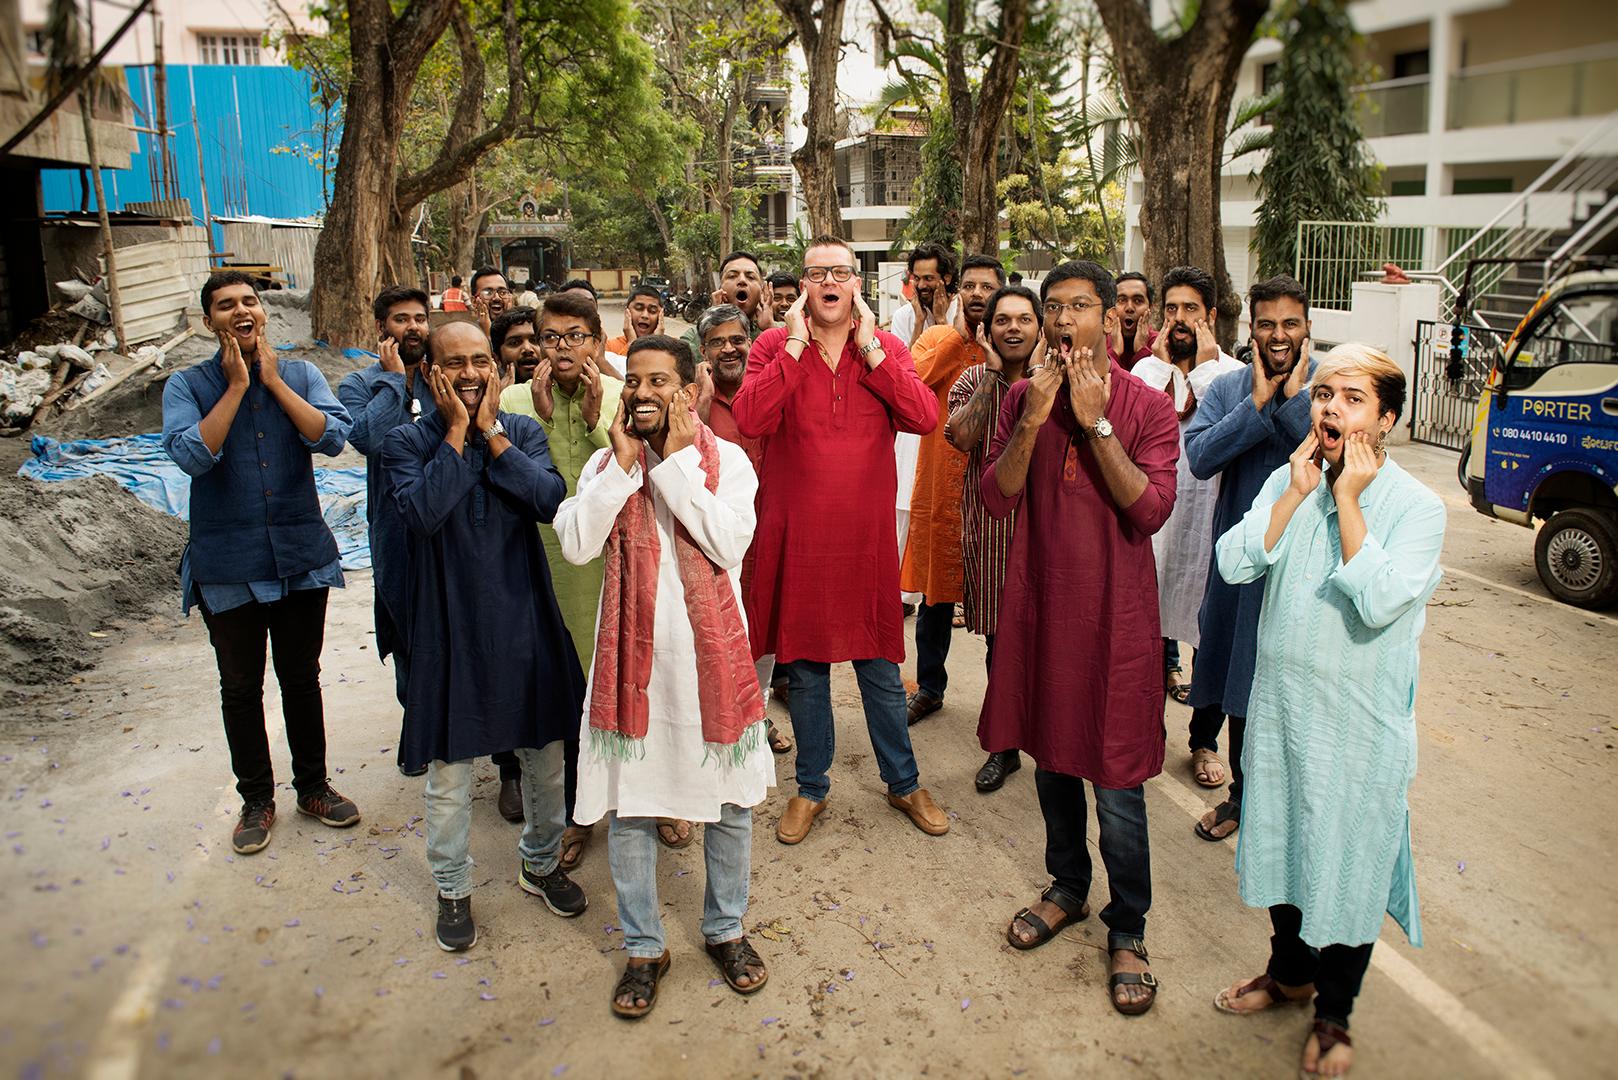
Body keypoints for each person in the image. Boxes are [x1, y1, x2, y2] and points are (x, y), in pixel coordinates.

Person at [1212, 345, 1443, 1080]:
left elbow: (1377, 602)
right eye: (1322, 395)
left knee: (1348, 866)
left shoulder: (1418, 507)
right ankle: (1289, 974)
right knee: (1281, 846)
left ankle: (1334, 1014)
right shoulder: (1292, 475)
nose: (1330, 409)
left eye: (1351, 398)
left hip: (1359, 728)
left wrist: (1345, 501)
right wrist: (1294, 495)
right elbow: (1234, 563)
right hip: (1282, 715)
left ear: (1388, 419)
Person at [979, 260, 1179, 1015]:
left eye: (1080, 307)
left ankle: (1127, 927)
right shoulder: (1025, 398)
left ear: (1112, 318)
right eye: (1054, 307)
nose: (1064, 322)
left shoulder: (1146, 406)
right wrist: (1034, 416)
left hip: (1117, 626)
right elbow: (996, 500)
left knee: (1118, 787)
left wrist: (1094, 421)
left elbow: (1150, 511)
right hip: (1040, 613)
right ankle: (1067, 885)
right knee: (1051, 763)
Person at [554, 335, 772, 1020]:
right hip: (632, 676)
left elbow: (728, 542)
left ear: (691, 388)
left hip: (711, 675)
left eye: (659, 382)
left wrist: (675, 465)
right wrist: (620, 468)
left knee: (730, 810)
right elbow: (577, 543)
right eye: (636, 382)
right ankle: (645, 946)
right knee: (633, 810)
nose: (644, 394)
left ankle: (725, 930)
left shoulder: (725, 461)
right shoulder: (607, 462)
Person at [733, 235, 949, 843]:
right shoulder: (775, 346)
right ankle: (811, 787)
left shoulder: (885, 348)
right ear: (803, 285)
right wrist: (796, 346)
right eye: (817, 272)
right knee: (803, 669)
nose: (829, 281)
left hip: (864, 539)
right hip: (798, 535)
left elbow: (924, 418)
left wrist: (875, 353)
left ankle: (903, 782)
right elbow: (750, 420)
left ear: (857, 283)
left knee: (879, 664)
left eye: (841, 272)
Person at [382, 321, 588, 952]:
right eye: (455, 363)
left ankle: (541, 862)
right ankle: (452, 888)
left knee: (546, 760)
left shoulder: (520, 431)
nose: (470, 374)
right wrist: (453, 433)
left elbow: (550, 499)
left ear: (496, 371)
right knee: (448, 775)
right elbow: (421, 514)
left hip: (523, 617)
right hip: (446, 626)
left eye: (480, 361)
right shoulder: (404, 442)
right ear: (429, 374)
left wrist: (491, 435)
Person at [161, 271, 359, 855]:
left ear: (264, 312)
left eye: (249, 301)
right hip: (228, 561)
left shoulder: (299, 373)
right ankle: (256, 799)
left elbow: (330, 439)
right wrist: (234, 387)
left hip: (298, 553)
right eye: (226, 306)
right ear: (209, 322)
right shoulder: (186, 385)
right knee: (241, 686)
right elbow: (193, 457)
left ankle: (314, 787)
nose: (240, 311)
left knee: (302, 678)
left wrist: (270, 382)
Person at [1182, 275, 1315, 843]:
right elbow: (1201, 457)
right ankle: (1242, 797)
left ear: (1307, 328)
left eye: (1290, 324)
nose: (1278, 335)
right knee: (1240, 680)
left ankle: (1290, 807)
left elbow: (1330, 453)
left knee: (1294, 689)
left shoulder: (1330, 389)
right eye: (1267, 324)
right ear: (1251, 329)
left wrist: (1288, 404)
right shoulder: (1229, 387)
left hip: (1307, 570)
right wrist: (1257, 404)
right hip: (1242, 564)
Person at [500, 292, 626, 869]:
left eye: (576, 336)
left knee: (625, 686)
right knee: (568, 696)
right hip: (545, 566)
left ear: (598, 342)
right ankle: (579, 814)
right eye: (551, 338)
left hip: (616, 567)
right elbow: (521, 483)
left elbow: (633, 477)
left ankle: (646, 805)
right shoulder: (513, 400)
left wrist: (599, 417)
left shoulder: (624, 395)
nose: (562, 348)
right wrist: (546, 420)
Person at [1129, 267, 1245, 778]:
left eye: (1190, 310)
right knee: (1148, 633)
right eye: (1171, 309)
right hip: (1155, 527)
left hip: (1209, 525)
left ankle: (1203, 741)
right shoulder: (1145, 374)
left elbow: (1227, 435)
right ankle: (1145, 731)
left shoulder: (1232, 379)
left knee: (1209, 634)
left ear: (1211, 317)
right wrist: (1162, 371)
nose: (1178, 320)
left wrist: (1197, 369)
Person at [943, 283, 1042, 792]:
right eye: (1003, 320)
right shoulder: (973, 378)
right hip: (994, 530)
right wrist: (992, 377)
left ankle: (1050, 744)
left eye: (1024, 319)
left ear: (1040, 327)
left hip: (1050, 532)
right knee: (1001, 645)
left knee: (1051, 641)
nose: (1013, 329)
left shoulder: (1060, 381)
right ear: (988, 329)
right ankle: (1004, 748)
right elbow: (959, 437)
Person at [337, 285, 437, 780]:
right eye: (401, 319)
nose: (413, 327)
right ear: (382, 329)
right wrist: (395, 383)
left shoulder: (445, 378)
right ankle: (416, 727)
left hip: (446, 521)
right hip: (395, 529)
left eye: (420, 318)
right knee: (404, 625)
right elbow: (369, 438)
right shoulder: (361, 384)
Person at [902, 254, 1005, 726]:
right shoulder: (937, 338)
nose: (979, 293)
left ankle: (1001, 705)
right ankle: (929, 687)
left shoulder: (1014, 342)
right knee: (936, 598)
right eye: (971, 286)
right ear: (957, 291)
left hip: (995, 498)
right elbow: (912, 384)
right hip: (941, 494)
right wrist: (961, 336)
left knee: (997, 604)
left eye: (987, 286)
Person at [692, 304, 793, 760]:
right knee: (718, 632)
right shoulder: (694, 399)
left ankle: (757, 715)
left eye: (738, 339)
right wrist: (698, 406)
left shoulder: (768, 388)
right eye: (718, 341)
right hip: (715, 541)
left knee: (764, 631)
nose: (730, 348)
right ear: (703, 351)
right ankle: (718, 722)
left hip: (771, 531)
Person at [681, 251, 773, 359]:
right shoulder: (693, 337)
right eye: (732, 276)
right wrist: (711, 324)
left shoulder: (785, 330)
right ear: (721, 289)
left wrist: (769, 329)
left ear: (762, 290)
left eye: (751, 277)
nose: (742, 281)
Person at [890, 242, 957, 347]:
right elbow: (905, 363)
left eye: (928, 278)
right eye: (917, 278)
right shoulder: (902, 316)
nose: (921, 285)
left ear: (947, 278)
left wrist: (941, 321)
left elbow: (957, 361)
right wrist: (919, 323)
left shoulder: (962, 312)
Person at [1108, 272, 1157, 364]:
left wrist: (1141, 351)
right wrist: (1114, 352)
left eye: (1138, 301)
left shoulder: (1161, 345)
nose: (1129, 308)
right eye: (1121, 300)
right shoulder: (1099, 344)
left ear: (1150, 308)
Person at [605, 284, 666, 355]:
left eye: (652, 310)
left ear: (661, 315)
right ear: (627, 312)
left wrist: (656, 342)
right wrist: (631, 343)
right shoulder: (609, 347)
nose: (645, 315)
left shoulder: (672, 349)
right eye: (639, 308)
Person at [469, 266, 511, 338]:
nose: (497, 298)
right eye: (488, 292)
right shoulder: (467, 338)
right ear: (474, 302)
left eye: (502, 292)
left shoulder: (519, 332)